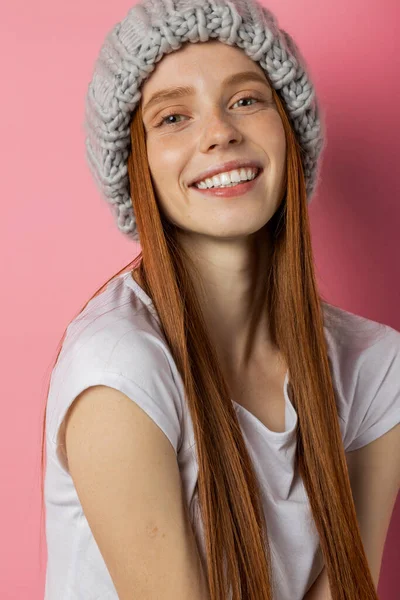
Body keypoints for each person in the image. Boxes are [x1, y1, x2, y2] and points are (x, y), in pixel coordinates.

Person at [40, 1, 400, 599]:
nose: (219, 132)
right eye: (174, 117)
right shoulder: (119, 370)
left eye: (246, 100)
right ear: (138, 168)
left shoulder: (375, 367)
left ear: (290, 129)